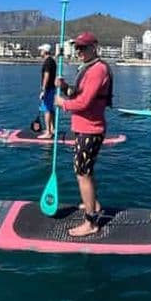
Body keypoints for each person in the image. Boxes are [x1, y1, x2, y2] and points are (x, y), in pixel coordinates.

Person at [55, 31, 113, 237]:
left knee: (82, 175)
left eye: (83, 47)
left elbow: (84, 103)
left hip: (91, 130)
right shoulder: (88, 69)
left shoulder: (97, 70)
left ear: (94, 47)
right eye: (76, 47)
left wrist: (63, 104)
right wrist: (64, 88)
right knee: (87, 172)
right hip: (85, 128)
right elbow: (78, 94)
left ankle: (91, 223)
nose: (78, 51)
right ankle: (94, 205)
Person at [37, 43, 57, 139]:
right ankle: (52, 128)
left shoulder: (47, 62)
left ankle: (48, 132)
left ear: (45, 51)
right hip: (52, 88)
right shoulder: (52, 61)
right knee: (51, 108)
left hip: (48, 89)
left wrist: (43, 90)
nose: (40, 52)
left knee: (47, 110)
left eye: (41, 50)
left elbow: (46, 76)